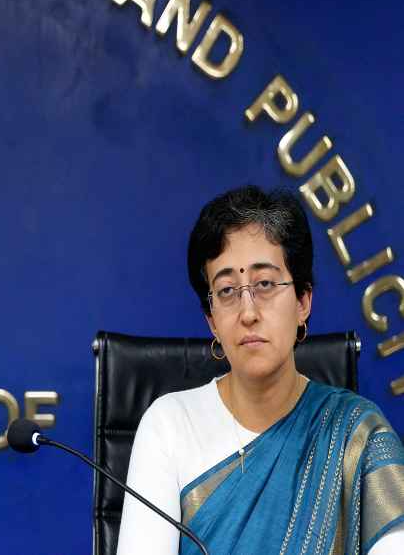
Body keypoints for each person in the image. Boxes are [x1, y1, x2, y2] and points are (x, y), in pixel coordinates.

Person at [116, 186, 404, 554]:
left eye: (265, 284)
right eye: (226, 291)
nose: (248, 312)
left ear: (303, 301)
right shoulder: (169, 426)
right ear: (212, 321)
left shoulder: (358, 435)